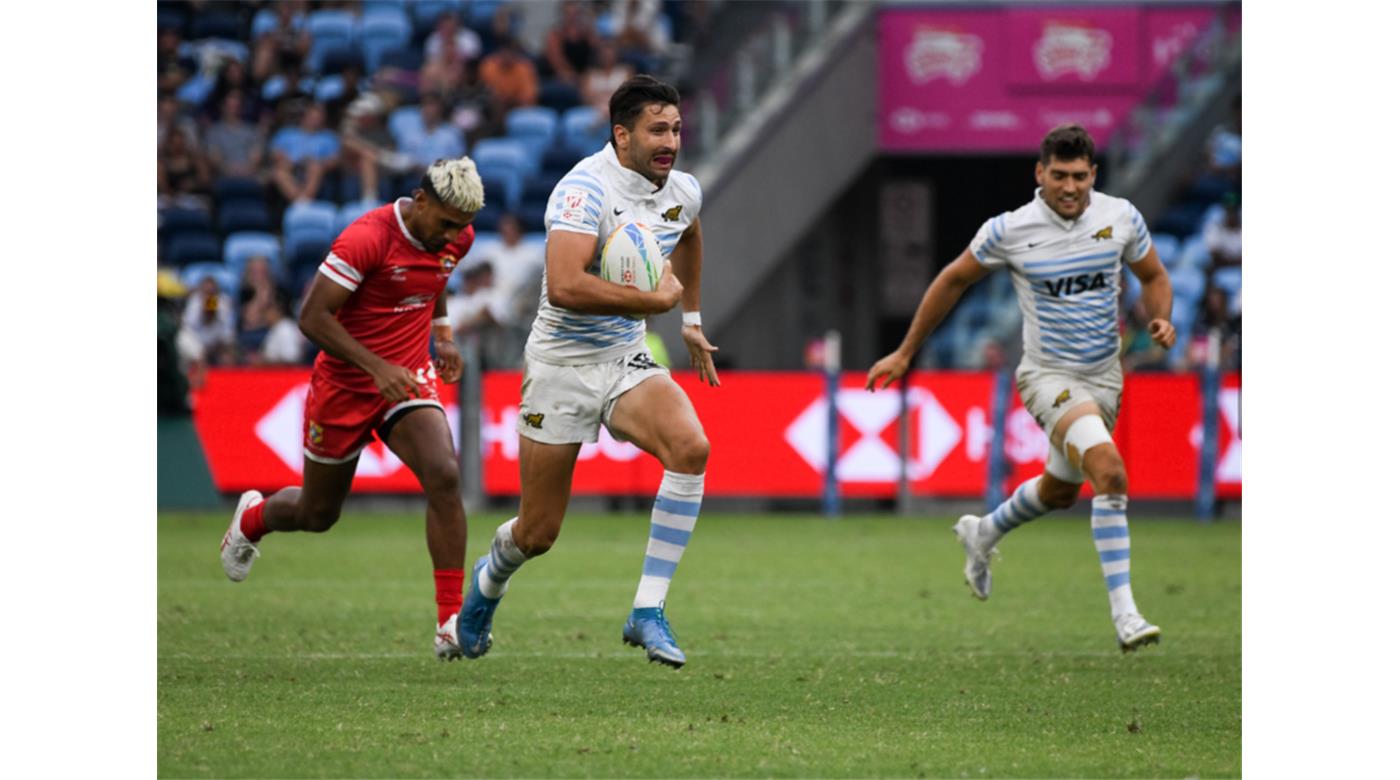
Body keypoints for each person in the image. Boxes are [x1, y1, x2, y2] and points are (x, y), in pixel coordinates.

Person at [866, 125, 1177, 652]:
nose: (1070, 187)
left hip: (1105, 377)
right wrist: (905, 351)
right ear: (1040, 174)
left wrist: (1161, 319)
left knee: (1060, 492)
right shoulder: (1009, 230)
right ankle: (1126, 614)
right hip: (1047, 377)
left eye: (1080, 176)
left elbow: (1154, 277)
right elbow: (952, 280)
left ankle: (983, 532)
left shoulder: (1119, 217)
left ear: (1093, 175)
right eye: (1059, 175)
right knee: (1110, 471)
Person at [456, 76, 718, 668]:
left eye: (676, 128)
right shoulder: (583, 191)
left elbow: (690, 232)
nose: (670, 141)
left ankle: (647, 610)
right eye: (657, 130)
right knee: (538, 532)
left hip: (624, 356)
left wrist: (691, 317)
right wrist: (653, 305)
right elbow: (567, 285)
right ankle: (489, 581)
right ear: (621, 135)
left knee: (691, 447)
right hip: (561, 365)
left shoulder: (682, 189)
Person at [219, 157, 484, 660]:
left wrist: (443, 335)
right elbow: (312, 317)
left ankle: (451, 622)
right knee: (317, 514)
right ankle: (253, 519)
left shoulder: (454, 236)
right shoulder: (367, 238)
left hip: (406, 375)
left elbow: (436, 277)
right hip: (344, 385)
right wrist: (375, 368)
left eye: (462, 227)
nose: (454, 236)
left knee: (444, 475)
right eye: (447, 223)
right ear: (421, 200)